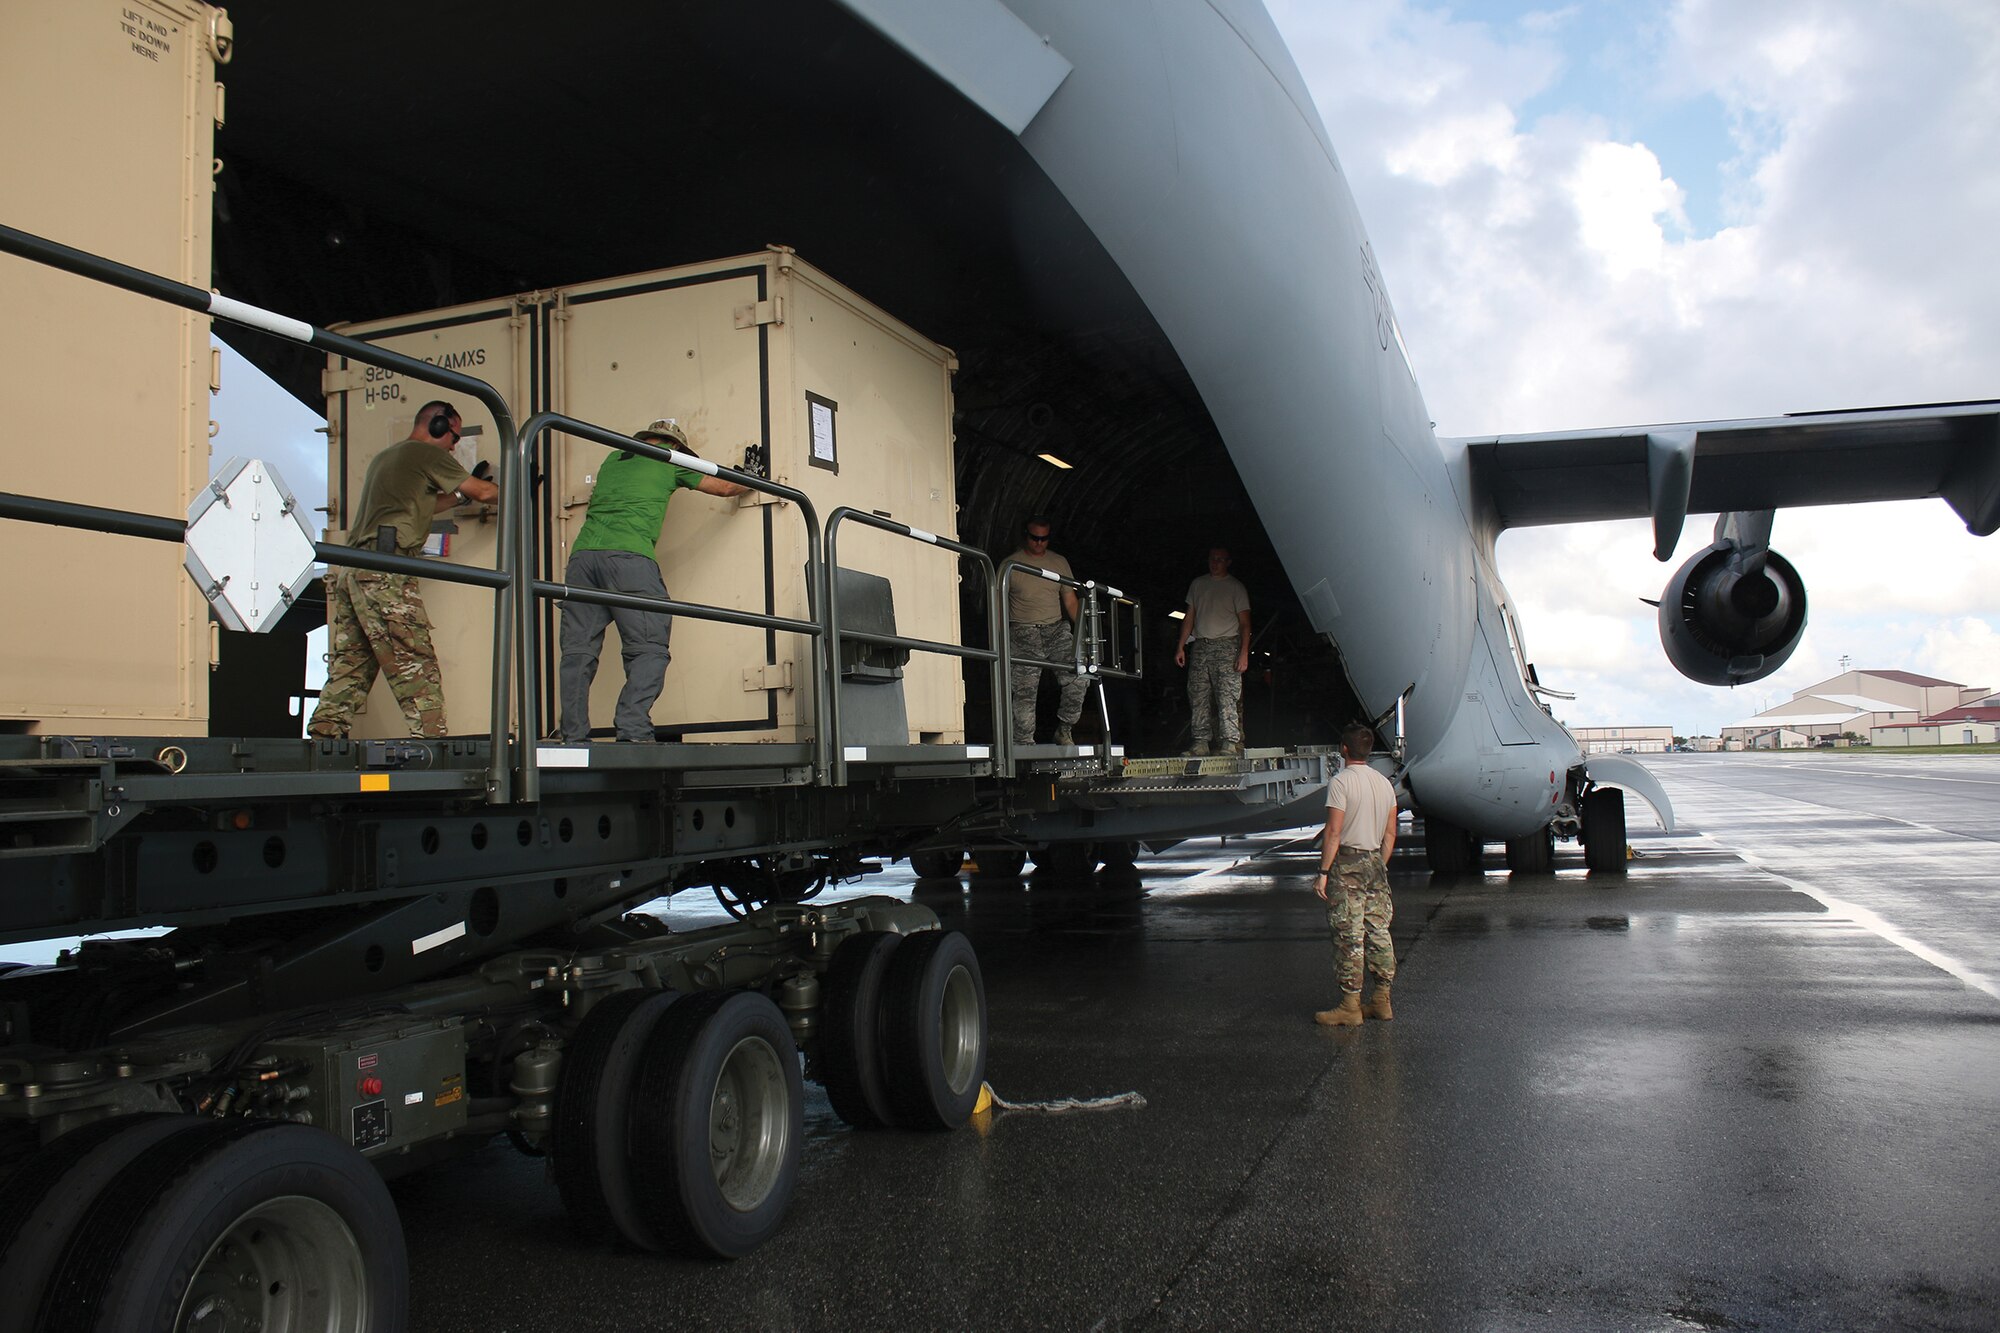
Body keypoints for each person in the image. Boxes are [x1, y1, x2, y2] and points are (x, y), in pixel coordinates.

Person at [309, 401, 498, 739]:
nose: (455, 445)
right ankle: (431, 747)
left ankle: (325, 738)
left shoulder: (389, 457)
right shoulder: (427, 454)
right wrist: (515, 490)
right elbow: (484, 492)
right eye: (454, 436)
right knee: (416, 662)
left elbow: (424, 502)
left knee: (352, 665)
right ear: (438, 426)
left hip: (355, 570)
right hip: (386, 572)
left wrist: (458, 494)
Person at [557, 418, 749, 742]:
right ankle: (633, 729)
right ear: (675, 446)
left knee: (578, 652)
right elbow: (725, 487)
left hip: (583, 558)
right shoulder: (669, 460)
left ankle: (572, 736)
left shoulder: (614, 458)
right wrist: (750, 477)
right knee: (648, 647)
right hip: (629, 558)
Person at [1312, 724, 1399, 1026]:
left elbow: (1334, 832)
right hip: (1375, 862)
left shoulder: (1341, 782)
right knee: (1378, 931)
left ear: (1344, 749)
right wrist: (1379, 864)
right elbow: (1390, 833)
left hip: (1347, 864)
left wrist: (1323, 872)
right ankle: (1381, 1001)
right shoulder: (1384, 784)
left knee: (1349, 935)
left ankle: (1350, 1006)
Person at [1005, 516, 1090, 745]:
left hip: (1055, 630)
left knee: (1079, 675)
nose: (1039, 543)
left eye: (1044, 539)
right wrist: (999, 637)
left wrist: (1085, 632)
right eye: (1035, 538)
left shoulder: (1059, 562)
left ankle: (1065, 729)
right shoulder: (1010, 564)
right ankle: (1022, 742)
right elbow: (997, 605)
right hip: (1022, 631)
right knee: (1024, 690)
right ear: (1026, 536)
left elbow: (1070, 601)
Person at [1174, 545, 1251, 755]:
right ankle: (1200, 742)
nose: (1215, 563)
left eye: (1220, 559)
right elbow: (1189, 617)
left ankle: (1229, 742)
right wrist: (1180, 646)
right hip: (1201, 646)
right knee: (1198, 694)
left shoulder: (1235, 587)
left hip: (1227, 645)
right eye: (1212, 559)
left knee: (1227, 695)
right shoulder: (1198, 584)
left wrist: (1244, 652)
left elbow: (1245, 623)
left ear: (1228, 562)